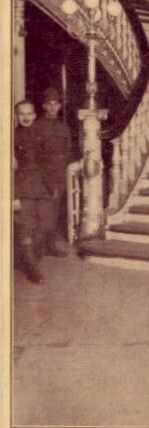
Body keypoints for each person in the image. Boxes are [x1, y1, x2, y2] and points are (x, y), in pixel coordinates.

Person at [14, 100, 53, 283]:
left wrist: (51, 186)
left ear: (35, 116)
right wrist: (13, 196)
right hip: (23, 187)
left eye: (29, 113)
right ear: (16, 116)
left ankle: (29, 258)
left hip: (42, 186)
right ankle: (32, 269)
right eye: (22, 114)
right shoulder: (11, 137)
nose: (26, 117)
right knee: (26, 228)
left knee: (45, 225)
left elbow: (48, 162)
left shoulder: (41, 134)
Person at [35, 88, 73, 258]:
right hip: (42, 176)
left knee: (55, 212)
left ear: (59, 106)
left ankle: (50, 245)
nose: (52, 108)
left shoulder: (64, 127)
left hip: (59, 176)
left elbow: (68, 152)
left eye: (55, 104)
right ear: (44, 106)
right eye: (49, 104)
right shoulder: (37, 126)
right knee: (41, 213)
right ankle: (36, 249)